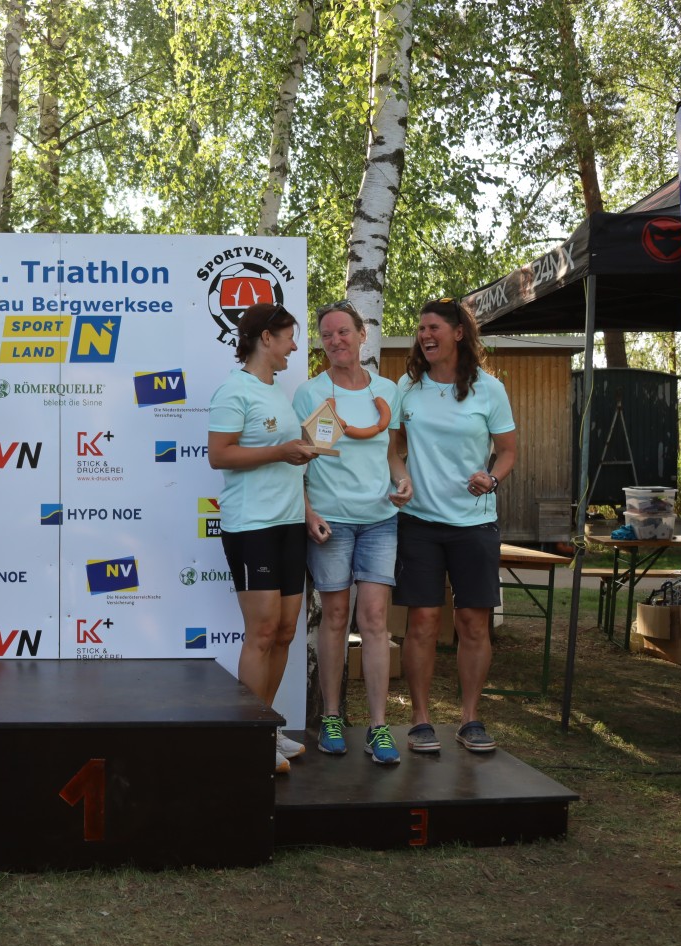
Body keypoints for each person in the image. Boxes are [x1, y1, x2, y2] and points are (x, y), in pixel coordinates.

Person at [394, 297, 517, 754]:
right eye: (421, 329)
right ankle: (420, 720)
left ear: (458, 333)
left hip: (475, 524)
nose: (425, 335)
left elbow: (508, 450)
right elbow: (393, 447)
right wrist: (400, 477)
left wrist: (493, 478)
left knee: (472, 623)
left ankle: (470, 719)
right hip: (419, 523)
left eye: (434, 328)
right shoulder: (407, 387)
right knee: (423, 622)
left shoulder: (490, 389)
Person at [294, 300, 411, 765]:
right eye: (327, 334)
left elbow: (392, 453)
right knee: (336, 617)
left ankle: (379, 728)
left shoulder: (387, 390)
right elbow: (300, 464)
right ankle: (332, 718)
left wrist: (402, 480)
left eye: (343, 331)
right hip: (332, 520)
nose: (335, 340)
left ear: (362, 335)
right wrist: (308, 513)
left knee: (376, 620)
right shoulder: (310, 393)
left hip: (380, 519)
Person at [207, 302, 317, 773]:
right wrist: (280, 452)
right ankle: (248, 738)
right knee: (263, 632)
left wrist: (307, 505)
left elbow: (286, 458)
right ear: (265, 338)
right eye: (289, 337)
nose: (294, 346)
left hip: (289, 522)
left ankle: (265, 728)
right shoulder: (234, 390)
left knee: (287, 630)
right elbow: (219, 455)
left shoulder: (278, 391)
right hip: (252, 526)